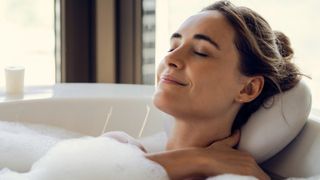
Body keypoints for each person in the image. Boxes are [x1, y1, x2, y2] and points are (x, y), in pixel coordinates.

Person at [106, 1, 300, 179]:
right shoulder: (117, 146)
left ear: (248, 89)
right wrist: (198, 159)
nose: (170, 59)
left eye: (201, 52)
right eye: (173, 46)